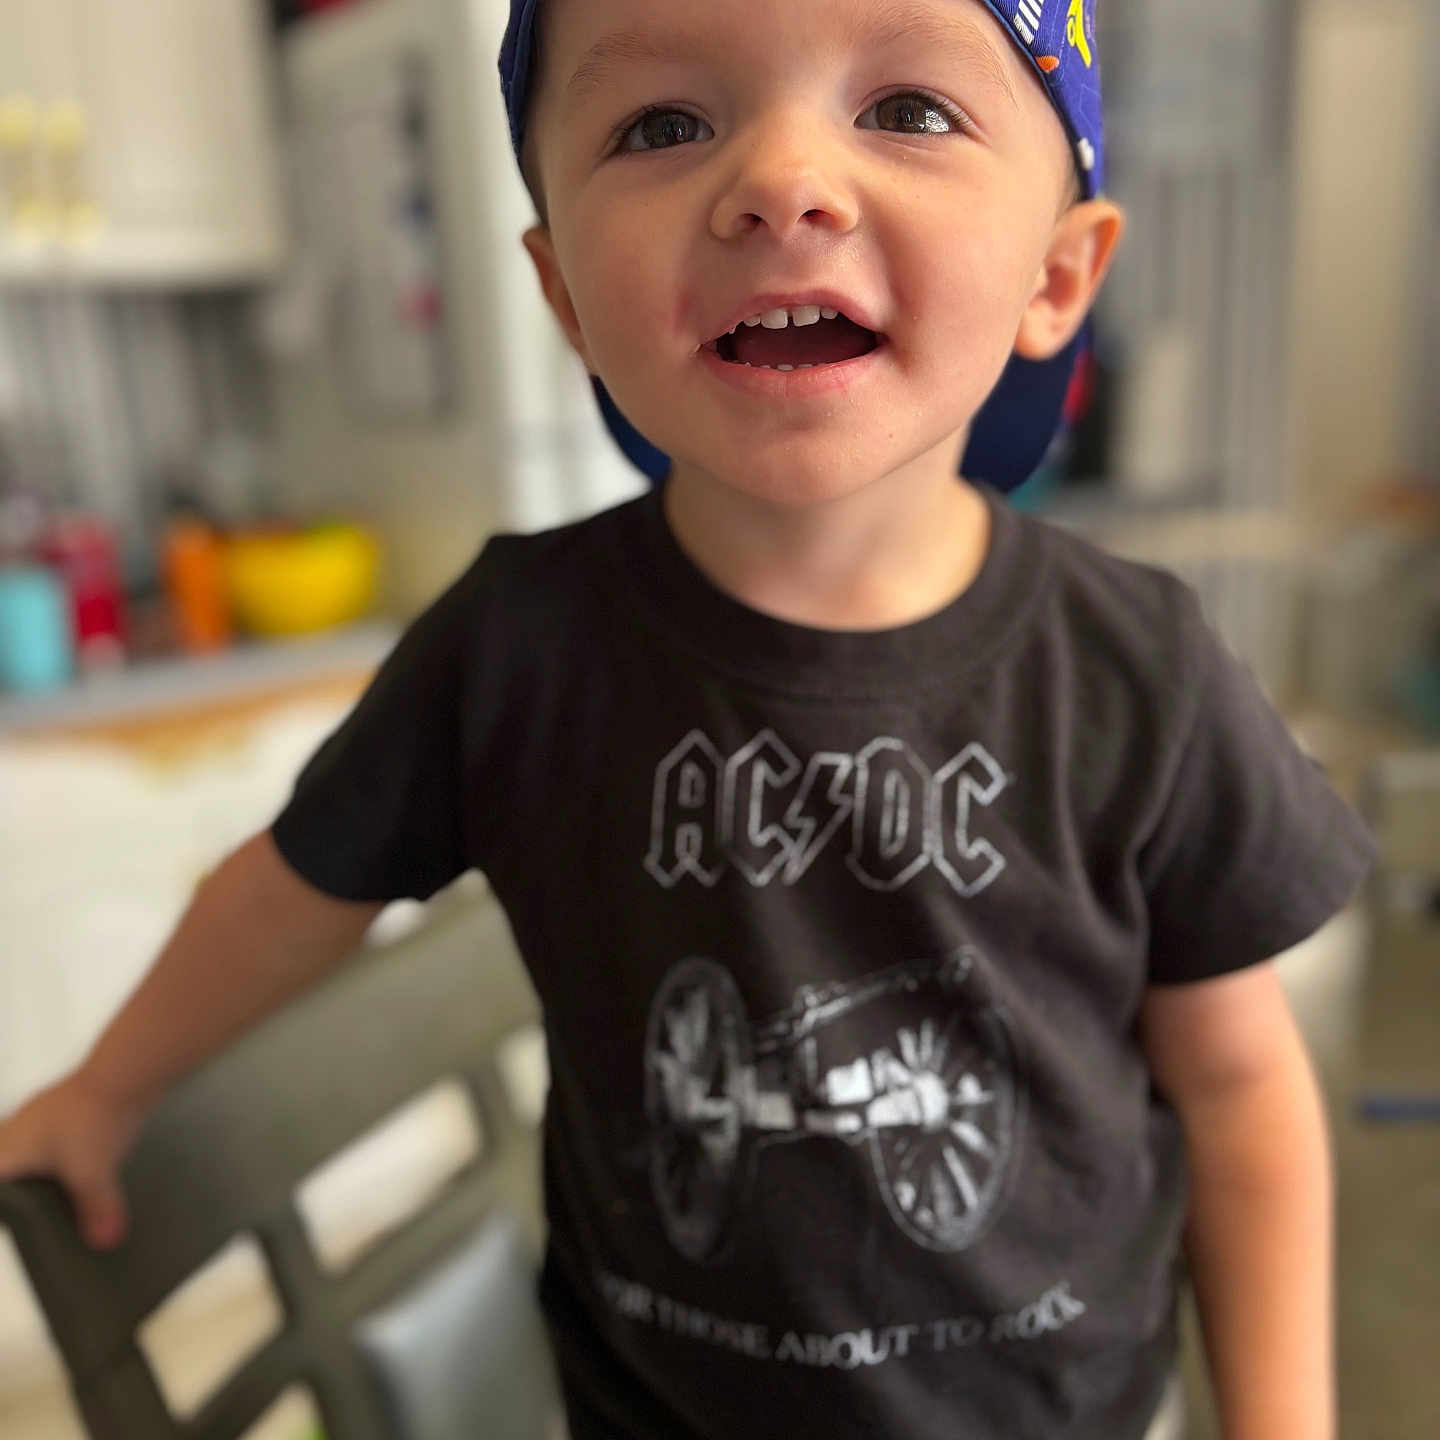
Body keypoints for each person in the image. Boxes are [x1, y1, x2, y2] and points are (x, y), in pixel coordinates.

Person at [0, 2, 1373, 1436]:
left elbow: (1238, 1096)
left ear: (1058, 270)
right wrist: (106, 1090)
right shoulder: (512, 649)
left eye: (905, 110)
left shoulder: (1139, 671)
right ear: (566, 298)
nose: (784, 179)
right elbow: (286, 902)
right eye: (663, 124)